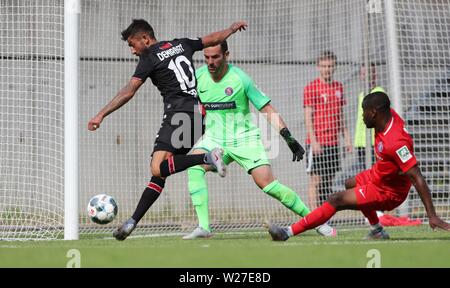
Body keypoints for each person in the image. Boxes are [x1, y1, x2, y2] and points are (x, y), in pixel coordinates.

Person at [87, 19, 248, 241]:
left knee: (156, 167)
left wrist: (101, 114)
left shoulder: (149, 56)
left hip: (178, 115)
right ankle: (131, 223)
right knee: (162, 171)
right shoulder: (182, 43)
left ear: (145, 39)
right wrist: (230, 30)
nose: (133, 51)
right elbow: (214, 39)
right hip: (198, 116)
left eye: (133, 44)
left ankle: (209, 156)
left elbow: (129, 90)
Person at [182, 42, 336, 239]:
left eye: (215, 57)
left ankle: (317, 222)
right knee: (194, 166)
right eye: (207, 57)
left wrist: (288, 138)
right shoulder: (198, 77)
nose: (210, 62)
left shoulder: (240, 79)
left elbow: (267, 109)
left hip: (244, 139)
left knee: (268, 184)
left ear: (226, 55)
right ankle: (204, 227)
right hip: (215, 138)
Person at [267, 90, 450, 241]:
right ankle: (378, 231)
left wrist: (432, 215)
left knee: (335, 199)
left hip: (388, 192)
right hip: (379, 174)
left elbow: (417, 177)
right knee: (350, 183)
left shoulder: (395, 142)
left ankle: (287, 233)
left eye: (364, 111)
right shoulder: (386, 117)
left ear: (374, 112)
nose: (362, 116)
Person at [303, 51, 352, 210]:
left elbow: (340, 115)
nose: (327, 69)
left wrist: (347, 138)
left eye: (330, 66)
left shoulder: (338, 87)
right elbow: (308, 117)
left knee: (328, 179)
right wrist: (314, 141)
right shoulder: (311, 88)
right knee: (315, 180)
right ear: (318, 67)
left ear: (335, 67)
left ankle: (325, 213)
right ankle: (313, 216)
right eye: (324, 66)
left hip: (333, 142)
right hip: (317, 143)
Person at [353, 62, 381, 172]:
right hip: (361, 143)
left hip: (373, 142)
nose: (366, 76)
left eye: (369, 73)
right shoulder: (362, 94)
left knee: (375, 174)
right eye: (363, 73)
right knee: (366, 175)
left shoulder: (378, 93)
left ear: (374, 75)